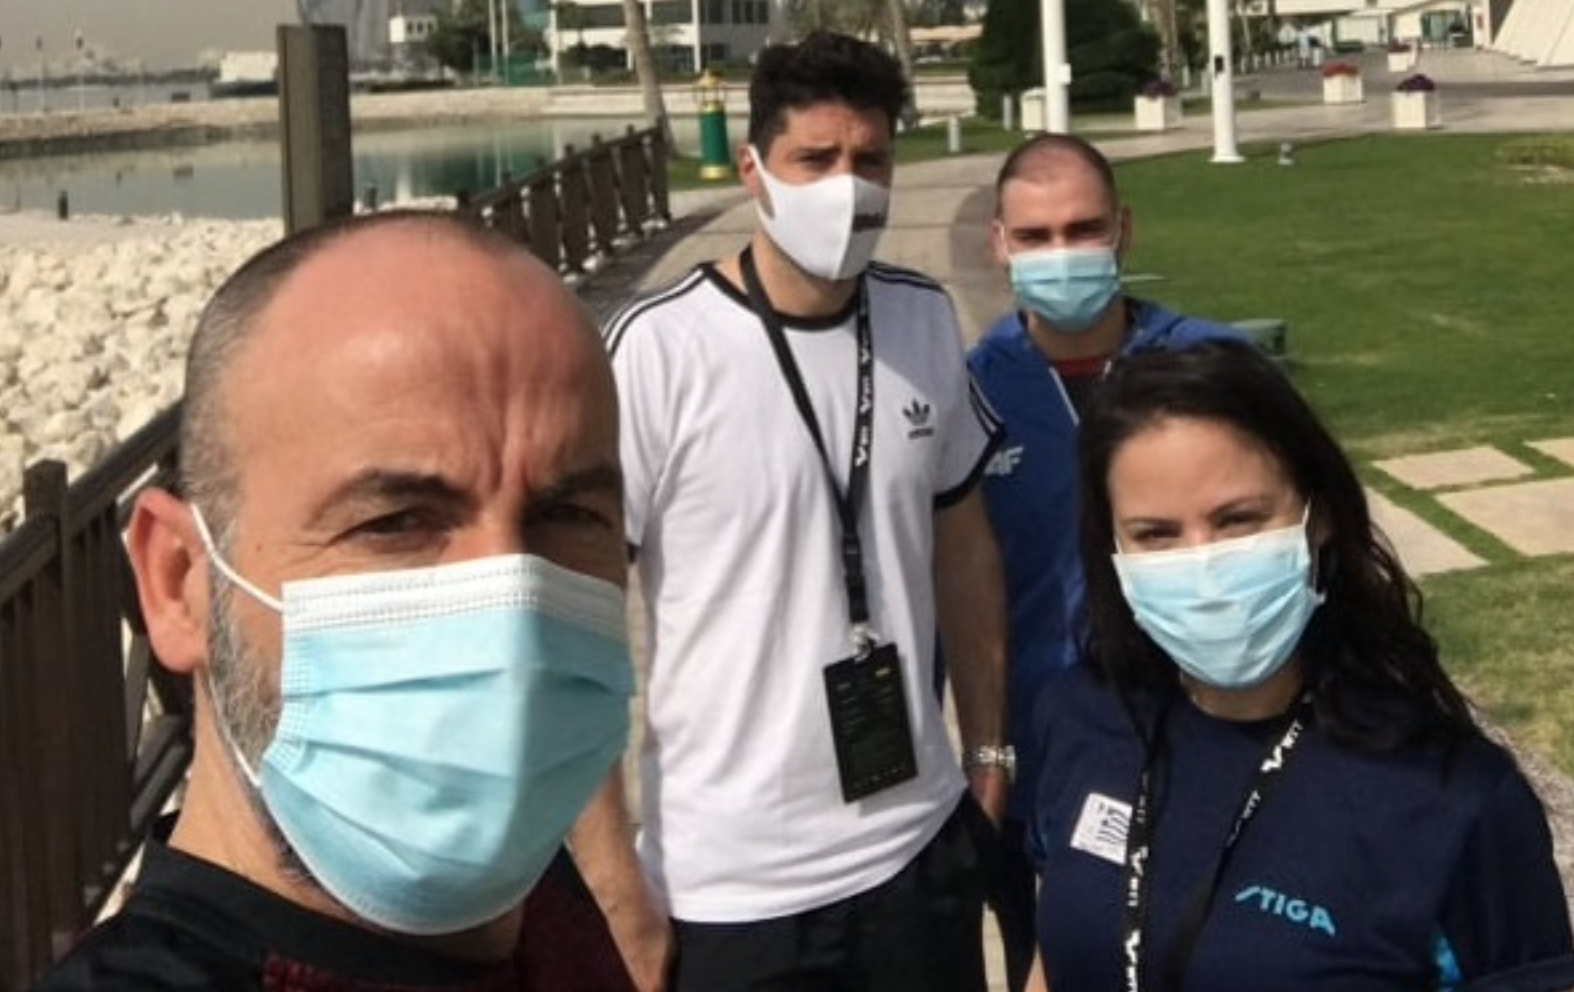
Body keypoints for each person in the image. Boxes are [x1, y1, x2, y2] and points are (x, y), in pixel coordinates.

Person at [30, 211, 643, 992]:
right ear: (179, 583)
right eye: (395, 522)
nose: (512, 616)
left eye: (568, 514)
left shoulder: (530, 889)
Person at [597, 29, 1009, 992]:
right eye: (815, 160)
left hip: (915, 855)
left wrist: (990, 758)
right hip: (730, 890)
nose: (848, 189)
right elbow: (572, 622)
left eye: (871, 161)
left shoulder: (921, 317)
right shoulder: (657, 350)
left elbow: (964, 550)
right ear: (753, 170)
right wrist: (614, 882)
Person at [1026, 339, 1574, 992]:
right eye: (1156, 534)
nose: (1203, 565)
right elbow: (1057, 954)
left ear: (1319, 518)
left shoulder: (1453, 798)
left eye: (1238, 520)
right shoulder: (1081, 715)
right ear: (1112, 547)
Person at [966, 132, 1240, 992]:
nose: (1062, 253)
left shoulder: (1210, 368)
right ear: (999, 244)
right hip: (1034, 760)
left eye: (1083, 229)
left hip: (1203, 737)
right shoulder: (968, 392)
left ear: (1124, 228)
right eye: (1036, 236)